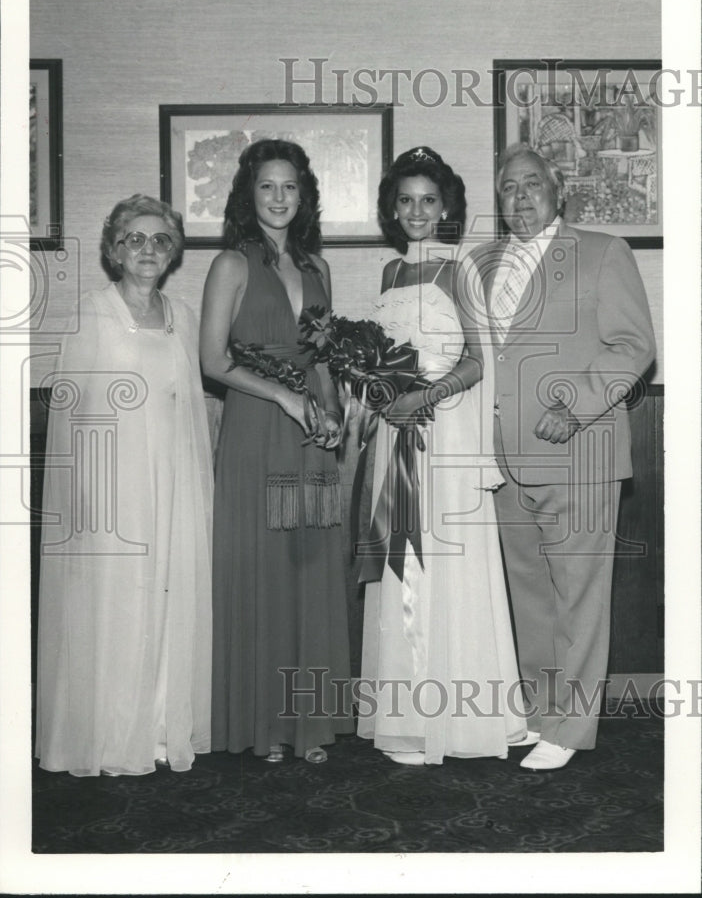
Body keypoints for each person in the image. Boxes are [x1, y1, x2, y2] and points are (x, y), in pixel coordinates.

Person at [472, 144, 656, 771]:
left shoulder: (603, 252)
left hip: (578, 450)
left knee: (579, 592)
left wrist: (575, 404)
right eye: (506, 188)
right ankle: (540, 712)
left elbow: (634, 347)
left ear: (558, 193)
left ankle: (572, 728)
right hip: (504, 459)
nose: (519, 197)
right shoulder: (481, 263)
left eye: (531, 185)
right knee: (530, 592)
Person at [356, 146, 527, 765]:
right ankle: (407, 718)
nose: (417, 210)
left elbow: (481, 361)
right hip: (394, 434)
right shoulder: (388, 275)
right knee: (404, 563)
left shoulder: (461, 270)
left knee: (446, 562)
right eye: (405, 199)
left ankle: (463, 719)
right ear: (392, 208)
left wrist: (426, 396)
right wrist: (380, 394)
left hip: (443, 430)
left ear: (447, 206)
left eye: (429, 199)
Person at [36, 195, 213, 776]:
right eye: (135, 239)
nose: (148, 250)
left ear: (174, 252)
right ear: (114, 249)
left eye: (160, 240)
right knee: (117, 608)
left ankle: (161, 728)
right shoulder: (93, 313)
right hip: (114, 491)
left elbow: (191, 411)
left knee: (169, 600)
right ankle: (114, 738)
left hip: (176, 484)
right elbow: (72, 418)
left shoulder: (184, 316)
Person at [200, 139, 353, 764]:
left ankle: (309, 725)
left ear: (304, 195)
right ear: (248, 195)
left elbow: (322, 361)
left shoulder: (318, 268)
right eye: (268, 186)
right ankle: (264, 724)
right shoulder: (231, 265)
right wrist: (284, 399)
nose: (280, 197)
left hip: (310, 436)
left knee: (308, 565)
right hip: (254, 434)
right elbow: (213, 360)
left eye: (290, 186)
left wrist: (334, 412)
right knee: (261, 567)